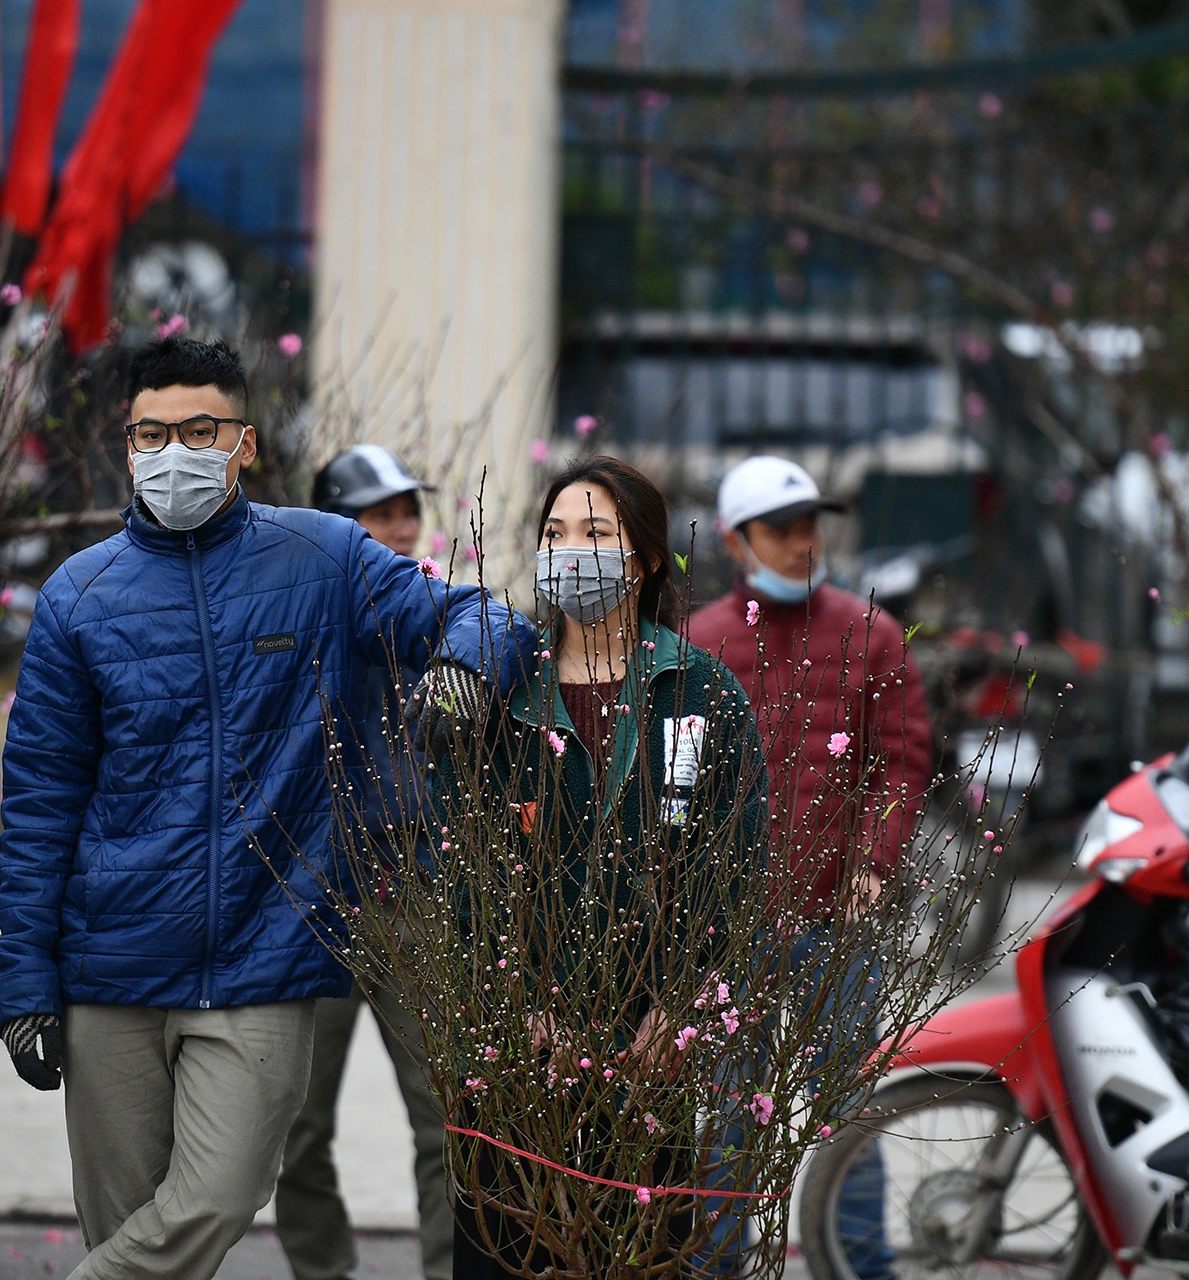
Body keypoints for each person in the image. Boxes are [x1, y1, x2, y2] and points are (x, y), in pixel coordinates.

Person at [0, 338, 536, 1280]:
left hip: (262, 959)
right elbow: (40, 808)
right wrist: (23, 986)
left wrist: (465, 672)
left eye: (199, 429)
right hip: (109, 965)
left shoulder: (319, 557)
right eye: (150, 433)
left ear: (241, 442)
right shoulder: (78, 595)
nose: (174, 452)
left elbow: (480, 614)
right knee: (134, 1236)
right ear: (127, 446)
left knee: (216, 1200)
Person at [445, 456, 767, 1280]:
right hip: (515, 1054)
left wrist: (681, 1004)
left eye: (596, 532)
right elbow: (468, 870)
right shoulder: (505, 694)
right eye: (554, 534)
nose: (569, 552)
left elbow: (731, 870)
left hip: (645, 1052)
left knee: (638, 1255)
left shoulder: (700, 694)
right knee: (505, 1249)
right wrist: (514, 1004)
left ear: (646, 557)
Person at [688, 455, 934, 1279]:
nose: (803, 543)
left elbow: (902, 762)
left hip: (838, 927)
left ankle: (863, 1267)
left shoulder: (872, 633)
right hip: (731, 933)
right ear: (734, 540)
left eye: (810, 526)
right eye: (781, 529)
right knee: (727, 1130)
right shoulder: (701, 644)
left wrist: (874, 862)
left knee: (847, 1123)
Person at [275, 444, 452, 1280]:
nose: (401, 526)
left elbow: (499, 632)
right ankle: (322, 1269)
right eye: (379, 513)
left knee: (449, 1121)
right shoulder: (291, 620)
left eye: (407, 510)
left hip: (412, 892)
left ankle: (451, 1268)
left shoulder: (435, 618)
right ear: (333, 528)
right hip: (311, 902)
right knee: (294, 1125)